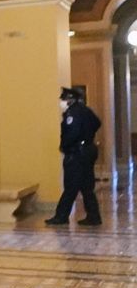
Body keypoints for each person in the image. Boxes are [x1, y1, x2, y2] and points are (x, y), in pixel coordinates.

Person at [45, 86, 102, 226]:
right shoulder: (86, 110)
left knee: (71, 185)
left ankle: (61, 216)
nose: (62, 102)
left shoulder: (72, 113)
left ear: (70, 99)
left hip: (77, 153)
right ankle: (94, 217)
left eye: (64, 99)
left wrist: (64, 146)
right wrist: (87, 136)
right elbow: (97, 123)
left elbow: (72, 133)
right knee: (86, 186)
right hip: (88, 149)